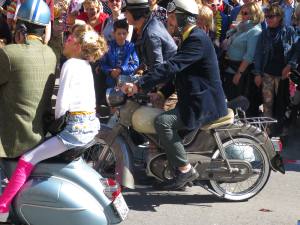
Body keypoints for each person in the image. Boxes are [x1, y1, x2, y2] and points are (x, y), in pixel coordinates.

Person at [0, 3, 107, 222]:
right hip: (89, 127)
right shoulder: (60, 58)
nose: (66, 39)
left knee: (27, 160)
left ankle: (3, 205)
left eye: (70, 39)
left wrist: (57, 125)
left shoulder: (12, 54)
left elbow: (62, 105)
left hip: (70, 129)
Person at [122, 0, 228, 190]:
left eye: (172, 16)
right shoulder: (190, 37)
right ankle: (170, 168)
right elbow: (179, 72)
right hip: (194, 98)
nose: (169, 20)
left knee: (163, 122)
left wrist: (140, 85)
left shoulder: (196, 39)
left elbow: (172, 66)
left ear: (182, 17)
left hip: (202, 102)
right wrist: (162, 93)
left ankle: (185, 170)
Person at [253, 3, 298, 135]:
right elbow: (258, 54)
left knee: (282, 104)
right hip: (267, 74)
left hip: (283, 75)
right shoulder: (264, 34)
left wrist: (290, 65)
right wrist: (257, 73)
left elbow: (296, 51)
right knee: (267, 104)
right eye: (266, 17)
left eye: (271, 16)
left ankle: (281, 131)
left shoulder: (289, 31)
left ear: (279, 17)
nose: (268, 19)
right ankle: (267, 132)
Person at [221, 2, 264, 115]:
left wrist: (239, 73)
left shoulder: (255, 31)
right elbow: (228, 39)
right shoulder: (242, 27)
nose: (242, 15)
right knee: (231, 99)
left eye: (245, 13)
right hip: (229, 67)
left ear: (254, 15)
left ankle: (242, 128)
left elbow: (249, 56)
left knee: (239, 102)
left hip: (240, 71)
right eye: (241, 12)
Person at [124, 0, 177, 73]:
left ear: (136, 13)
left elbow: (157, 70)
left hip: (168, 81)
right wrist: (142, 67)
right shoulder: (150, 23)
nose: (124, 15)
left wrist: (139, 83)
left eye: (127, 12)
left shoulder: (150, 34)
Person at [100, 19, 139, 88]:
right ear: (113, 33)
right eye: (119, 33)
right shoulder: (108, 47)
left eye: (124, 33)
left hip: (127, 81)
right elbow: (103, 63)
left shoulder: (131, 47)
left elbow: (135, 64)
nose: (121, 36)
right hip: (110, 81)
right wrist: (110, 71)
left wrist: (121, 69)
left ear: (127, 33)